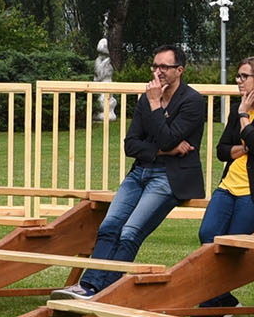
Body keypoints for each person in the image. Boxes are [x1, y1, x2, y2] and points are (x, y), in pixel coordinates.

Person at [64, 45, 205, 295]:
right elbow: (130, 145)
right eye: (155, 66)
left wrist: (156, 105)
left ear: (180, 70)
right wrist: (163, 151)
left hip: (170, 177)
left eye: (165, 67)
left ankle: (104, 291)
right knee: (109, 226)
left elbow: (168, 139)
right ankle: (89, 286)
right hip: (139, 172)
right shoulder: (146, 98)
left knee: (130, 232)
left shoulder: (192, 101)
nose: (158, 71)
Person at [195, 57, 254, 306]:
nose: (238, 81)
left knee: (233, 244)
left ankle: (212, 305)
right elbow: (221, 150)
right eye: (238, 76)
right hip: (228, 186)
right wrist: (247, 144)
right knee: (208, 234)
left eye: (244, 76)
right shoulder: (237, 109)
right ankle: (222, 302)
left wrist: (244, 119)